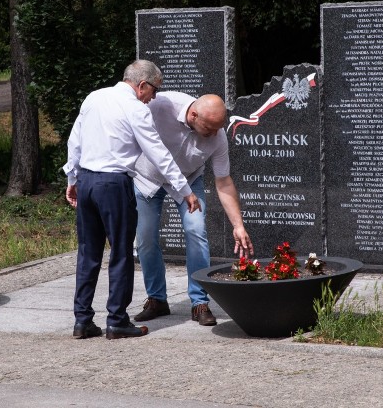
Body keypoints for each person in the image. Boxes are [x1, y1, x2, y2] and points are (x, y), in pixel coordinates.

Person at [63, 60, 200, 340]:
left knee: (88, 252)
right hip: (114, 184)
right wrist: (185, 189)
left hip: (87, 181)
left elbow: (74, 140)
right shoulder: (136, 109)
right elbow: (157, 152)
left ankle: (82, 321)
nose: (155, 97)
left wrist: (72, 179)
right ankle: (117, 320)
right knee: (121, 253)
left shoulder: (94, 97)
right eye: (154, 90)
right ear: (142, 85)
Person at [132, 92, 254, 326]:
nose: (214, 134)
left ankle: (199, 302)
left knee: (196, 231)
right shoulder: (161, 105)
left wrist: (238, 225)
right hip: (148, 177)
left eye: (218, 128)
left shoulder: (218, 137)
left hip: (188, 181)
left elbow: (224, 181)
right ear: (193, 114)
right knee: (145, 238)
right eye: (209, 128)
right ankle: (157, 299)